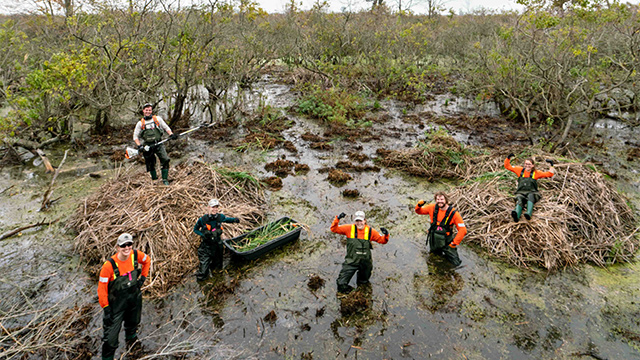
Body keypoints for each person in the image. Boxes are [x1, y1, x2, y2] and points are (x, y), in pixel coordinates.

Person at [98, 233, 151, 360]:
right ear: (117, 247)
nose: (127, 248)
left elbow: (147, 261)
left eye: (129, 244)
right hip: (116, 305)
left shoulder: (136, 255)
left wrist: (142, 279)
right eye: (123, 245)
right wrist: (106, 307)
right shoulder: (108, 266)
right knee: (110, 339)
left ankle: (131, 343)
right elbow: (101, 289)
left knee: (133, 323)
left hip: (133, 299)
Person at [330, 210, 389, 293]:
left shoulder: (370, 231)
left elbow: (382, 241)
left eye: (360, 221)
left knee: (363, 283)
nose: (359, 223)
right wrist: (338, 219)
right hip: (351, 261)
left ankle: (361, 291)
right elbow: (334, 229)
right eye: (357, 221)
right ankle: (351, 293)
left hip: (365, 262)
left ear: (364, 220)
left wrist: (386, 234)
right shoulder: (349, 228)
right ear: (355, 221)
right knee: (341, 284)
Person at [193, 198, 240, 280]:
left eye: (216, 207)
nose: (214, 209)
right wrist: (203, 234)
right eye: (212, 207)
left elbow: (227, 219)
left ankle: (217, 279)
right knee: (203, 273)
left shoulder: (220, 217)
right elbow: (195, 230)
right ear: (208, 207)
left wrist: (235, 220)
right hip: (206, 247)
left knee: (218, 268)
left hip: (218, 245)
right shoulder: (202, 220)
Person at [415, 192, 467, 267]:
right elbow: (419, 211)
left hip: (447, 242)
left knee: (456, 263)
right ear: (435, 200)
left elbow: (463, 230)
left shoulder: (454, 213)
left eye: (442, 199)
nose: (440, 201)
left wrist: (454, 243)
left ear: (446, 200)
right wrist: (419, 205)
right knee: (433, 258)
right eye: (438, 199)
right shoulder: (431, 208)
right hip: (433, 239)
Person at [133, 103, 178, 185]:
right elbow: (135, 137)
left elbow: (166, 127)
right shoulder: (140, 123)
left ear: (151, 110)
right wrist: (139, 146)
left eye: (150, 110)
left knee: (165, 159)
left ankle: (165, 179)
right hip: (147, 146)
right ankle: (154, 179)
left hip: (159, 143)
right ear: (143, 111)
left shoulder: (157, 119)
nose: (148, 112)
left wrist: (171, 134)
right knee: (150, 163)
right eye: (146, 110)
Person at [504, 154, 555, 222]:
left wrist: (551, 165)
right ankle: (516, 215)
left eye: (529, 164)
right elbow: (507, 166)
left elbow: (550, 174)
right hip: (521, 192)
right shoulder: (519, 170)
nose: (527, 166)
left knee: (530, 197)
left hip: (532, 192)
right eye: (526, 164)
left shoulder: (536, 173)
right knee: (519, 199)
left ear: (533, 165)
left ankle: (528, 213)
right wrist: (508, 158)